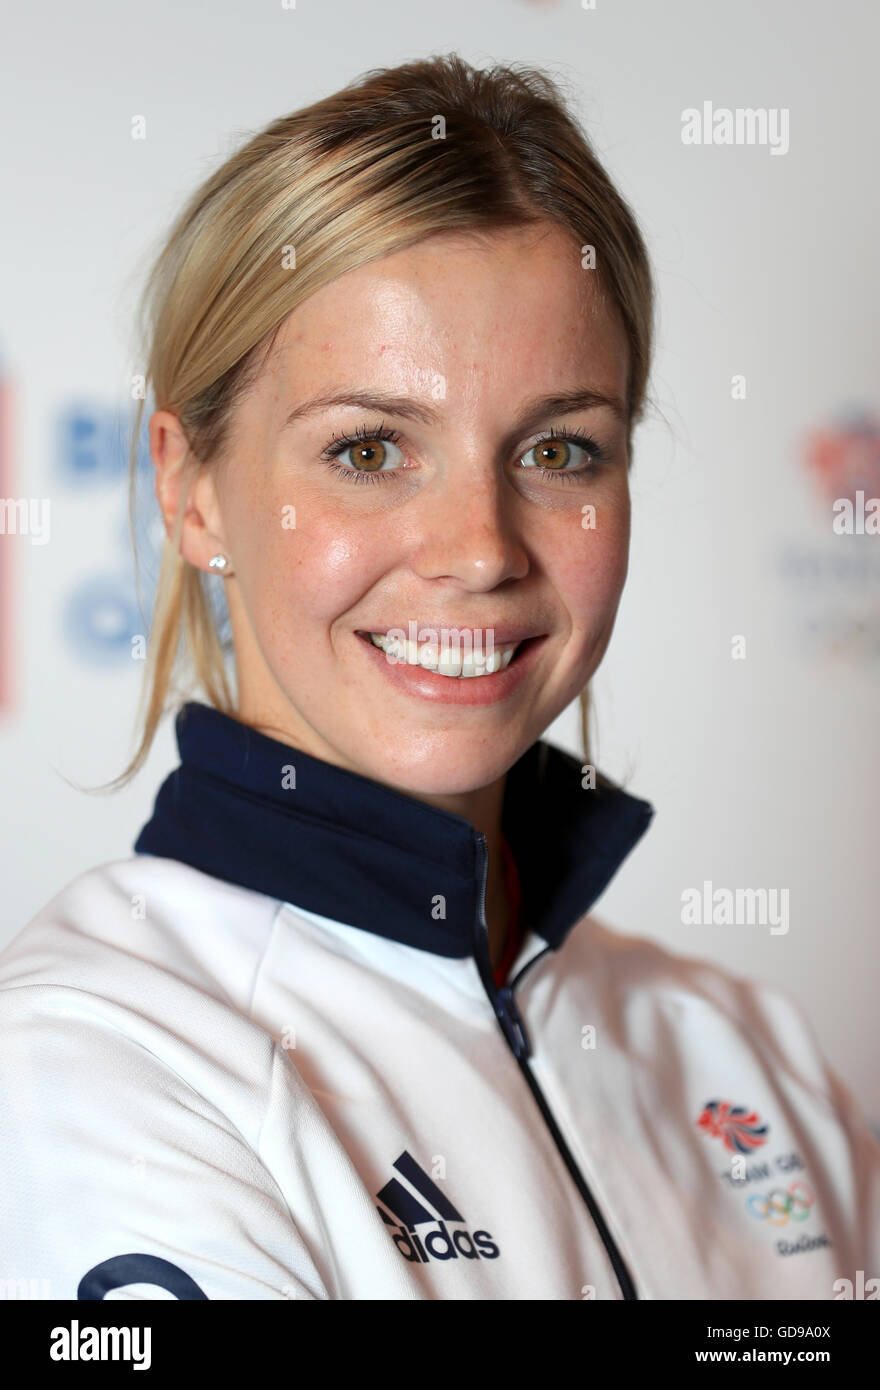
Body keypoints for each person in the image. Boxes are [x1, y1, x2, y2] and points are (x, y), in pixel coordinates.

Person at [1, 54, 877, 1302]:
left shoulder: (740, 1048)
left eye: (560, 448)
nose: (479, 547)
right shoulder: (91, 1068)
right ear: (188, 488)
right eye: (369, 448)